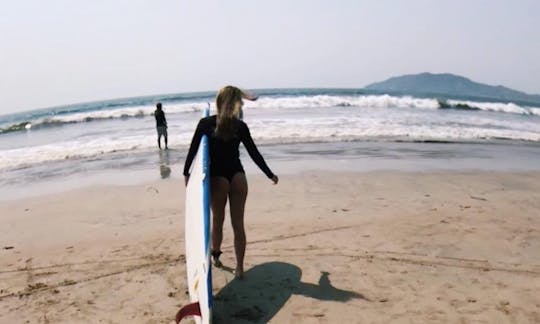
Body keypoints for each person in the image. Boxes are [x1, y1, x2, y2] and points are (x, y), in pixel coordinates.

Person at [183, 86, 278, 279]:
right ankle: (240, 268)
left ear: (219, 101)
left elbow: (192, 152)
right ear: (237, 104)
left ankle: (216, 256)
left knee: (217, 221)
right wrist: (269, 174)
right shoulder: (240, 127)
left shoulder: (205, 123)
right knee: (238, 225)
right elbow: (254, 153)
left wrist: (187, 174)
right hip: (238, 177)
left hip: (218, 178)